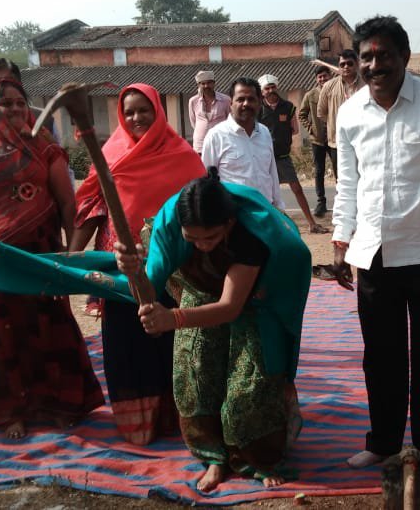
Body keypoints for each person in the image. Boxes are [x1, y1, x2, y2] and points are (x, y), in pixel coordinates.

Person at [331, 16, 420, 473]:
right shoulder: (351, 112)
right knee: (381, 357)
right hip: (374, 256)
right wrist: (340, 239)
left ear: (404, 57)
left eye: (384, 55)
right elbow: (348, 184)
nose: (375, 65)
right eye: (367, 56)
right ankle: (385, 443)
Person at [114, 170, 311, 491]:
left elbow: (230, 307)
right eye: (193, 240)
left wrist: (173, 319)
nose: (202, 247)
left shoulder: (253, 235)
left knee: (249, 389)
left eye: (210, 238)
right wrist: (134, 272)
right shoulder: (169, 226)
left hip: (255, 301)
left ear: (229, 225)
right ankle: (214, 456)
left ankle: (255, 459)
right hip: (198, 293)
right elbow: (149, 288)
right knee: (195, 375)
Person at [0, 78, 104, 440]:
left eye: (20, 103)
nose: (15, 109)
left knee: (48, 326)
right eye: (5, 103)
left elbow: (66, 201)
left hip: (40, 254)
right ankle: (8, 410)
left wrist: (70, 253)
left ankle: (58, 403)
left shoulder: (42, 146)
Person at [68, 83, 205, 445]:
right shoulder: (110, 154)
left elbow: (200, 207)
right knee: (126, 343)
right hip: (119, 266)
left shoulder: (183, 156)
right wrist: (71, 262)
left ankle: (178, 418)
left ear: (158, 111)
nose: (136, 118)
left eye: (144, 110)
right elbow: (91, 209)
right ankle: (138, 424)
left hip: (173, 268)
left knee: (171, 340)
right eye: (128, 111)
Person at [201, 78, 285, 211]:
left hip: (266, 212)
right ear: (231, 103)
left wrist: (279, 207)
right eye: (240, 99)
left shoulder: (264, 133)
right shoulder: (216, 136)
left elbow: (271, 173)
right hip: (234, 215)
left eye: (251, 99)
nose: (246, 104)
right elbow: (206, 181)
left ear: (259, 103)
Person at [257, 74, 327, 233]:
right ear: (262, 91)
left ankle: (312, 224)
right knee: (265, 192)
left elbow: (295, 130)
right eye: (267, 88)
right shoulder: (258, 109)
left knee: (297, 188)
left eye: (273, 87)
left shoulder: (288, 107)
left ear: (277, 87)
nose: (270, 90)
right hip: (264, 158)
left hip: (282, 157)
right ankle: (268, 226)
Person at [298, 65, 336, 217]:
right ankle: (321, 202)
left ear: (330, 76)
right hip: (318, 140)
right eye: (320, 77)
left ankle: (342, 202)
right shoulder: (310, 95)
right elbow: (301, 114)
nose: (322, 79)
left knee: (339, 171)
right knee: (319, 172)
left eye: (325, 76)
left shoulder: (336, 91)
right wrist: (311, 129)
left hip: (335, 138)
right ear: (316, 79)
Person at [317, 49, 364, 150]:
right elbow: (321, 113)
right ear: (339, 66)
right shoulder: (328, 86)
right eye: (342, 64)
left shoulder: (367, 85)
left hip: (362, 141)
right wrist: (334, 122)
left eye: (349, 63)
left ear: (357, 64)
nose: (346, 67)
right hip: (338, 143)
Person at [189, 70, 231, 155]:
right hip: (200, 146)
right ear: (198, 85)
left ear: (214, 83)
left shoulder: (226, 100)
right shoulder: (193, 101)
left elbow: (230, 121)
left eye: (209, 83)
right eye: (203, 83)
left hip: (221, 144)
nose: (206, 86)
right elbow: (193, 122)